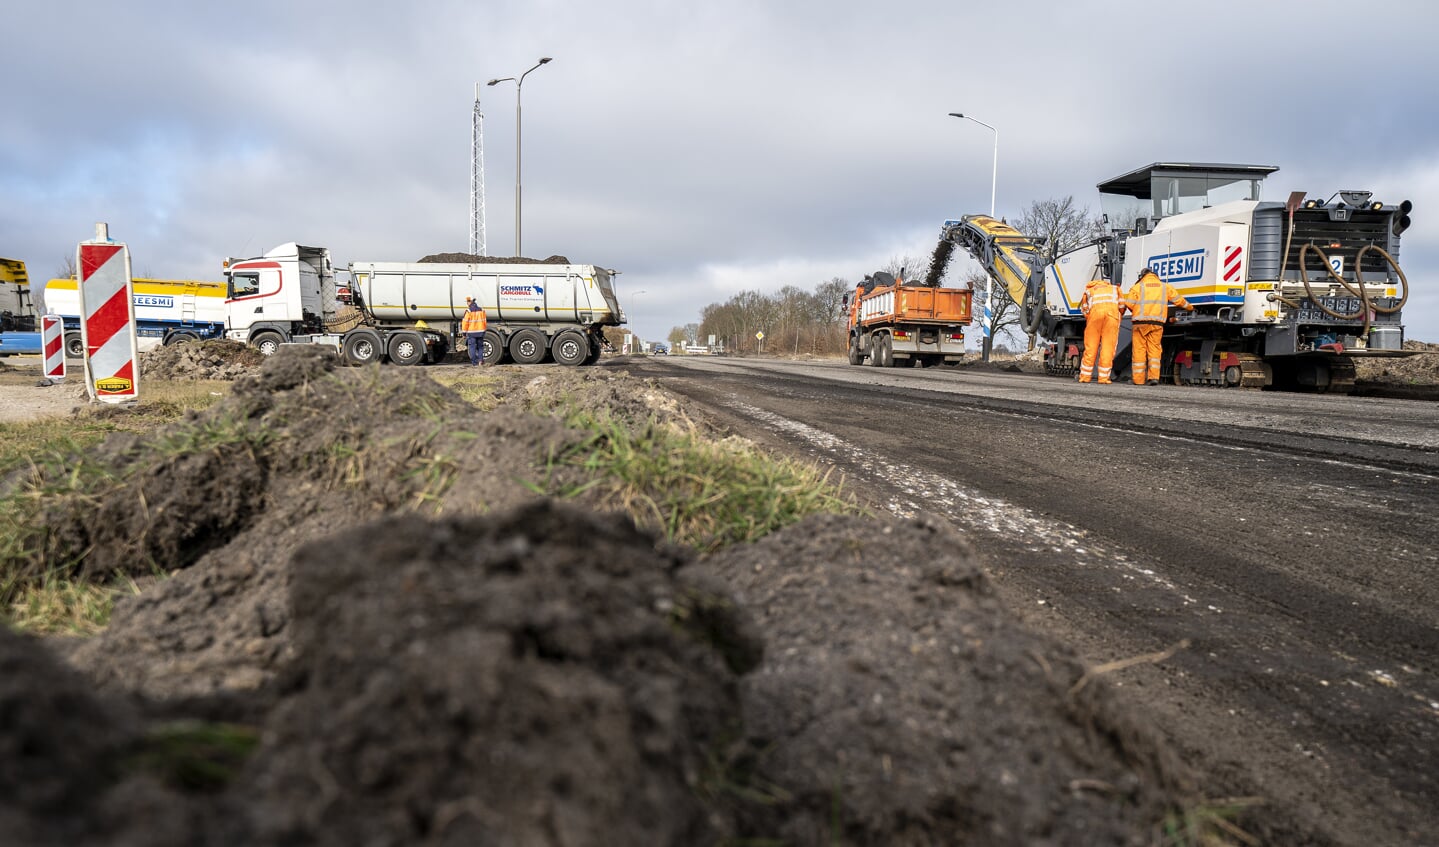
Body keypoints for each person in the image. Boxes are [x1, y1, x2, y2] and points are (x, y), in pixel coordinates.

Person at [1123, 268, 1191, 385]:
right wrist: (1190, 307)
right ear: (1156, 276)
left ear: (1142, 276)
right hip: (1157, 324)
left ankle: (1138, 380)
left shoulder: (1137, 287)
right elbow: (1179, 300)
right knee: (1154, 350)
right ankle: (1153, 378)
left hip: (1140, 324)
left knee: (1139, 351)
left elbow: (1129, 304)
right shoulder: (1164, 287)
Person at [1077, 274, 1122, 384]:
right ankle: (1103, 378)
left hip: (1094, 319)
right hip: (1111, 318)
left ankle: (1084, 377)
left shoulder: (1089, 291)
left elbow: (1085, 309)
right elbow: (1121, 306)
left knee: (1090, 348)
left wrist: (1091, 318)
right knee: (1108, 348)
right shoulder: (1115, 289)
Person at [461, 296, 488, 366]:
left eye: (467, 302)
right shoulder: (481, 310)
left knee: (472, 347)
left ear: (470, 302)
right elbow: (484, 321)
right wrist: (484, 330)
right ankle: (480, 361)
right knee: (480, 347)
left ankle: (475, 363)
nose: (467, 303)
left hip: (471, 333)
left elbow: (465, 323)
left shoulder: (468, 311)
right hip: (480, 332)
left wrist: (464, 333)